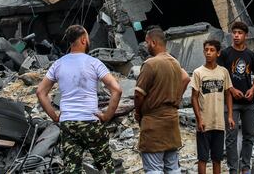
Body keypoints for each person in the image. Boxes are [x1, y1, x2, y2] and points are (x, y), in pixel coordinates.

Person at [36, 25, 122, 174]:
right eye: (87, 38)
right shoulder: (94, 63)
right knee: (106, 167)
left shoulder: (58, 64)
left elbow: (40, 92)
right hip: (90, 121)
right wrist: (107, 116)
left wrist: (55, 117)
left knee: (72, 169)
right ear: (83, 40)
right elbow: (117, 90)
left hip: (68, 124)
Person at [134, 27, 191, 174]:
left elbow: (138, 95)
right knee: (172, 167)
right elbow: (185, 78)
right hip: (171, 121)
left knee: (154, 169)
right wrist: (176, 98)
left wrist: (138, 113)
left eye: (147, 42)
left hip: (154, 123)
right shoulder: (174, 62)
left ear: (153, 42)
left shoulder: (150, 64)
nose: (146, 46)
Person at [218, 21, 254, 174]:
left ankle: (245, 168)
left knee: (249, 135)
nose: (236, 35)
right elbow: (220, 75)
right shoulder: (225, 54)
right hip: (231, 103)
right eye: (234, 32)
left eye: (240, 33)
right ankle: (232, 169)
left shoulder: (251, 55)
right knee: (231, 137)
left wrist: (252, 89)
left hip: (248, 102)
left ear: (246, 36)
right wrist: (231, 89)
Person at [191, 40, 234, 174]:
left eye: (212, 50)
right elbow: (194, 97)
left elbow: (228, 94)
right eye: (206, 50)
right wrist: (199, 119)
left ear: (218, 53)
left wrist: (230, 116)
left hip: (219, 123)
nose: (208, 53)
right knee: (203, 158)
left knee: (217, 159)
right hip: (204, 123)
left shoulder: (223, 72)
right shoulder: (198, 72)